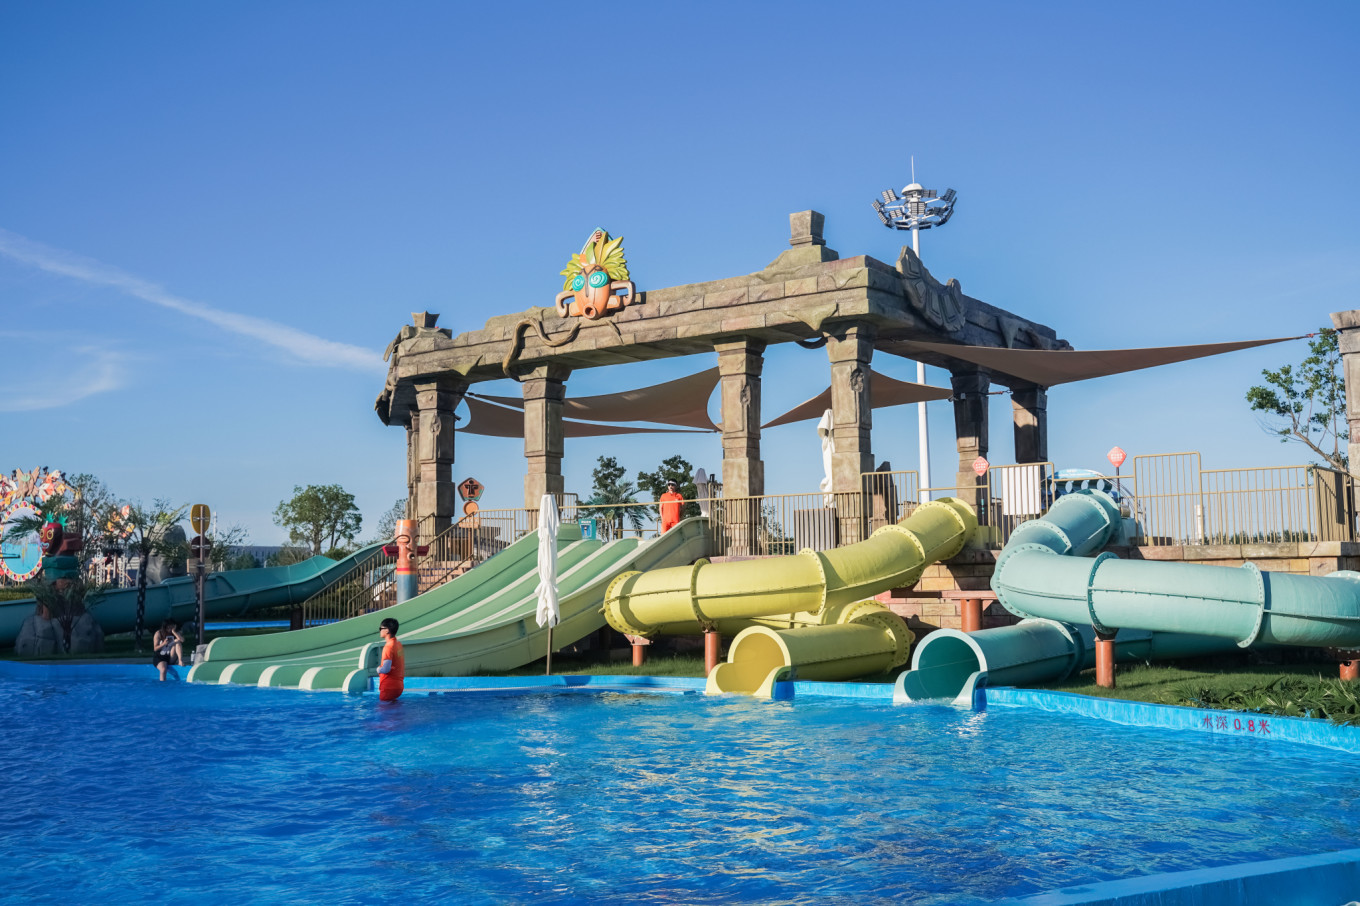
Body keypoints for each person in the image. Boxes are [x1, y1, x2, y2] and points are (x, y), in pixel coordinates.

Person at [376, 617, 405, 702]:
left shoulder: (388, 647)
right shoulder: (398, 644)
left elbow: (386, 669)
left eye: (381, 628)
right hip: (399, 686)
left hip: (388, 687)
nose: (380, 630)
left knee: (383, 712)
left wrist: (378, 669)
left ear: (387, 630)